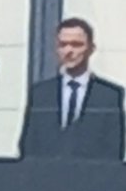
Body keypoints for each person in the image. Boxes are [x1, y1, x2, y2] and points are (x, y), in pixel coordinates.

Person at [19, 17, 124, 161]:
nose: (69, 51)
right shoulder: (40, 93)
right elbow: (28, 145)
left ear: (91, 49)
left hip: (91, 178)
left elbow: (113, 150)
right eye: (63, 45)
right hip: (46, 177)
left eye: (76, 45)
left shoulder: (109, 95)